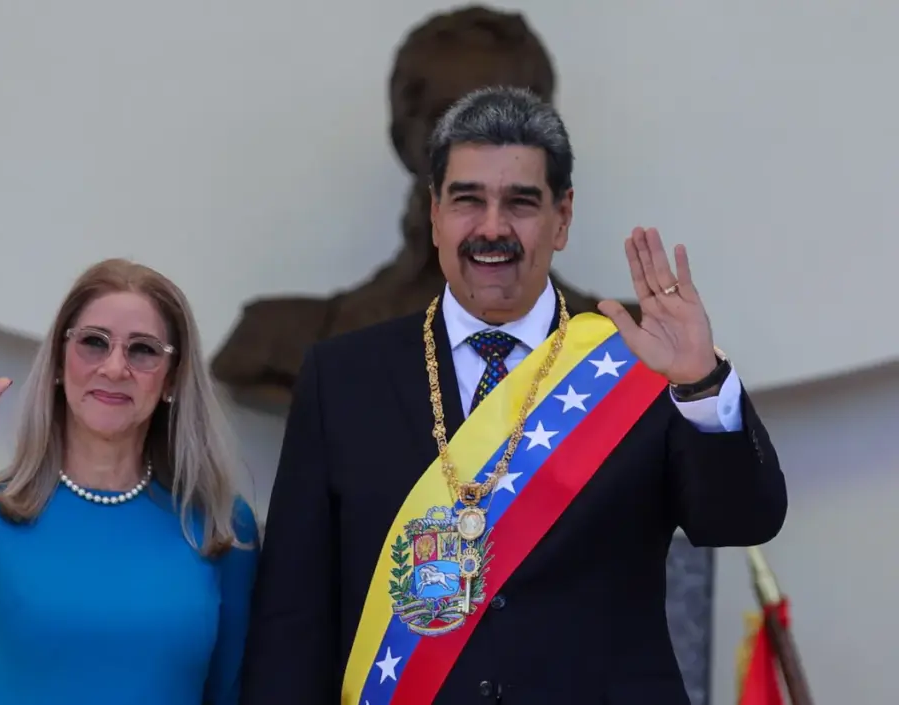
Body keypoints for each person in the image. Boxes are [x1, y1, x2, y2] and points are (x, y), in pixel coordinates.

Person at [240, 86, 787, 705]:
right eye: (467, 200)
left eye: (521, 203)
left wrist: (700, 385)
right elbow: (293, 618)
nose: (492, 229)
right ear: (435, 214)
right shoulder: (341, 377)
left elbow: (741, 520)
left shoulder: (637, 361)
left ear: (563, 218)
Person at [0, 258, 259, 705]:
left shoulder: (221, 524)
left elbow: (234, 693)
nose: (115, 368)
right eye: (94, 343)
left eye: (143, 350)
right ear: (59, 362)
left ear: (172, 379)